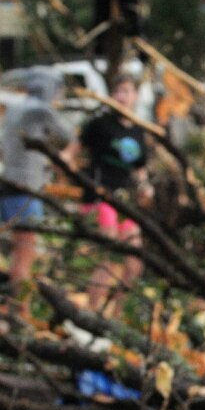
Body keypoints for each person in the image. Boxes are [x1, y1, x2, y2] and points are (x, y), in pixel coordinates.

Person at [76, 75, 150, 313]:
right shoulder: (100, 124)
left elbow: (140, 168)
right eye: (118, 91)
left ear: (135, 96)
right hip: (101, 196)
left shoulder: (139, 130)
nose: (122, 96)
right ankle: (92, 311)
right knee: (107, 257)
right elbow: (72, 152)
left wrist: (145, 188)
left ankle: (117, 314)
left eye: (128, 91)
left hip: (125, 201)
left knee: (134, 260)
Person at [0, 68, 69, 285]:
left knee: (19, 251)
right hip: (24, 190)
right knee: (26, 254)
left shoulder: (14, 108)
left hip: (8, 186)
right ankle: (19, 309)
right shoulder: (39, 110)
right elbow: (67, 134)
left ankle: (14, 305)